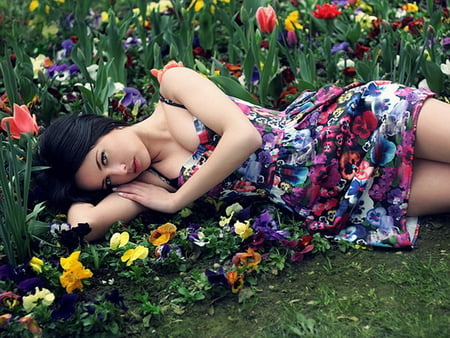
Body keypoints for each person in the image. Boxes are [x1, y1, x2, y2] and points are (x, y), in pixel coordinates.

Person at [35, 62, 450, 248]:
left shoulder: (174, 89)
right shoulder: (148, 180)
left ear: (104, 127)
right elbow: (84, 228)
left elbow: (244, 137)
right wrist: (76, 192)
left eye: (106, 159)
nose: (123, 171)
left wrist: (178, 199)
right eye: (109, 180)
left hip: (356, 121)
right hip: (339, 193)